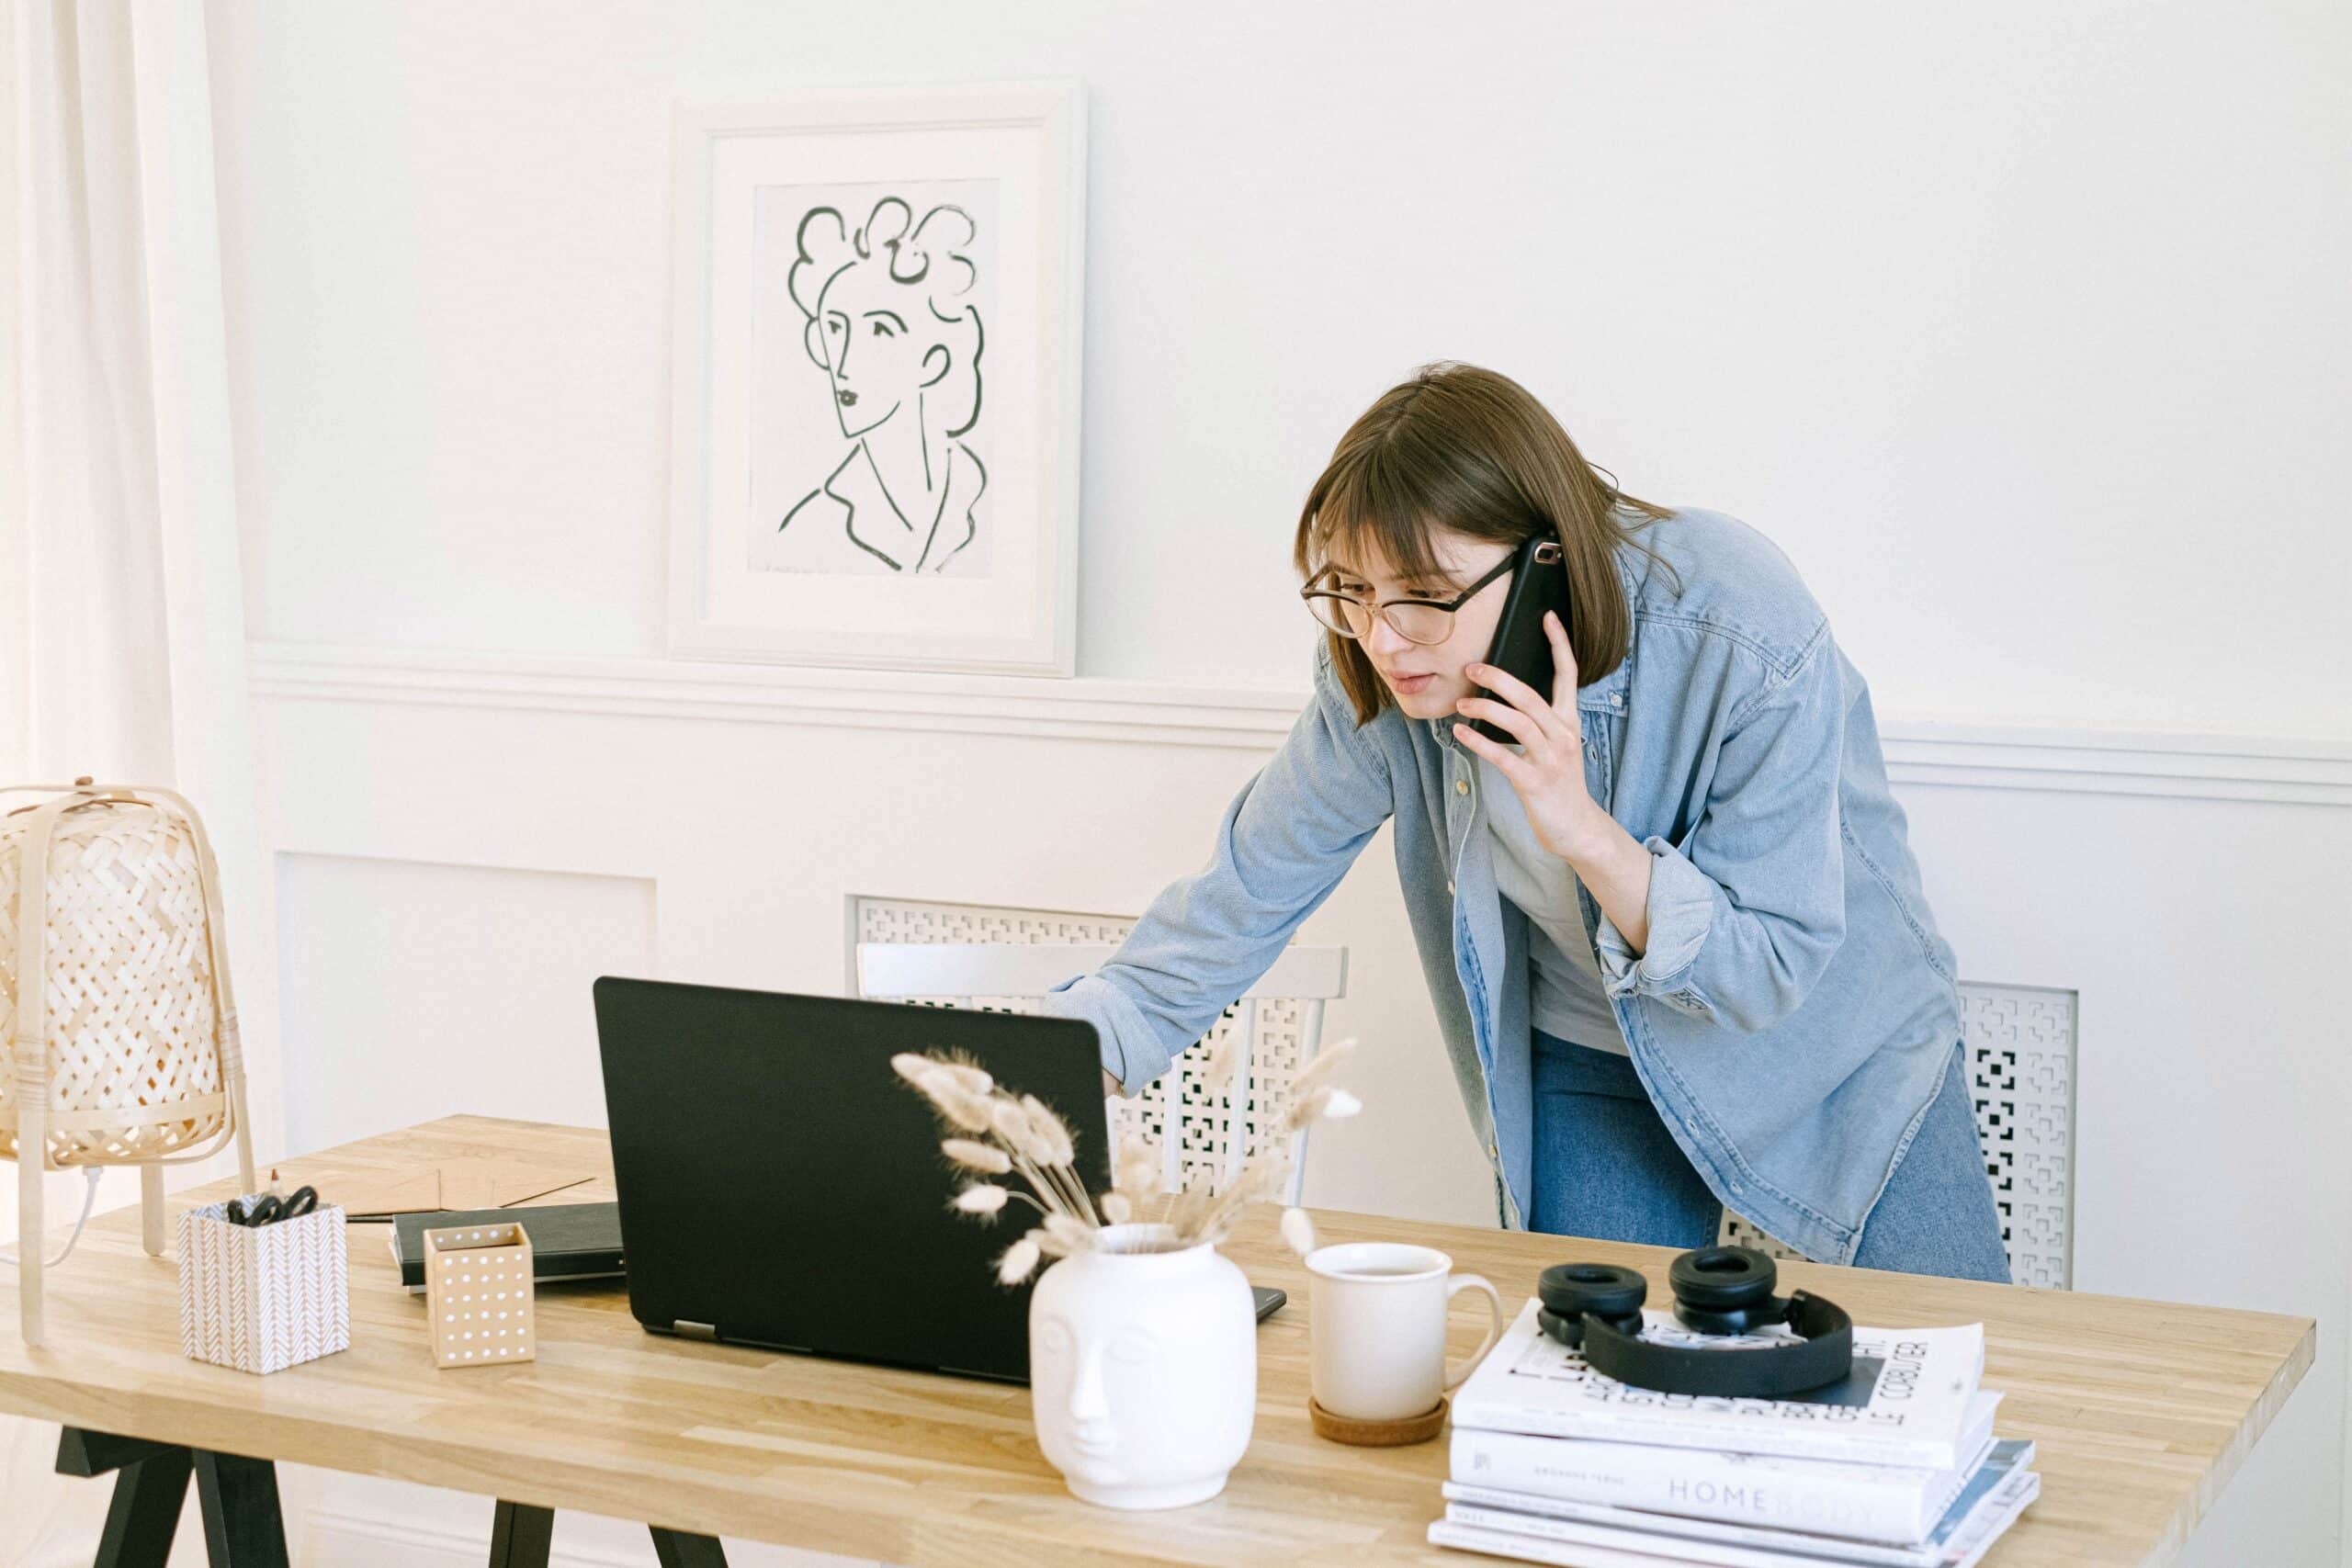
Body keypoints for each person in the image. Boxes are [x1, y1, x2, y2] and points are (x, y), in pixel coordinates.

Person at [1044, 362, 2009, 1280]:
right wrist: (1052, 1065)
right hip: (1590, 1057)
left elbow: (1768, 968)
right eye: (1352, 591)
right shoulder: (1380, 674)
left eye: (1423, 597)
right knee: (1579, 1404)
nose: (1383, 639)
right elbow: (1241, 899)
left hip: (1834, 1049)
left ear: (1544, 561)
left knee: (1967, 1365)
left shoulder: (1733, 620)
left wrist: (1580, 827)